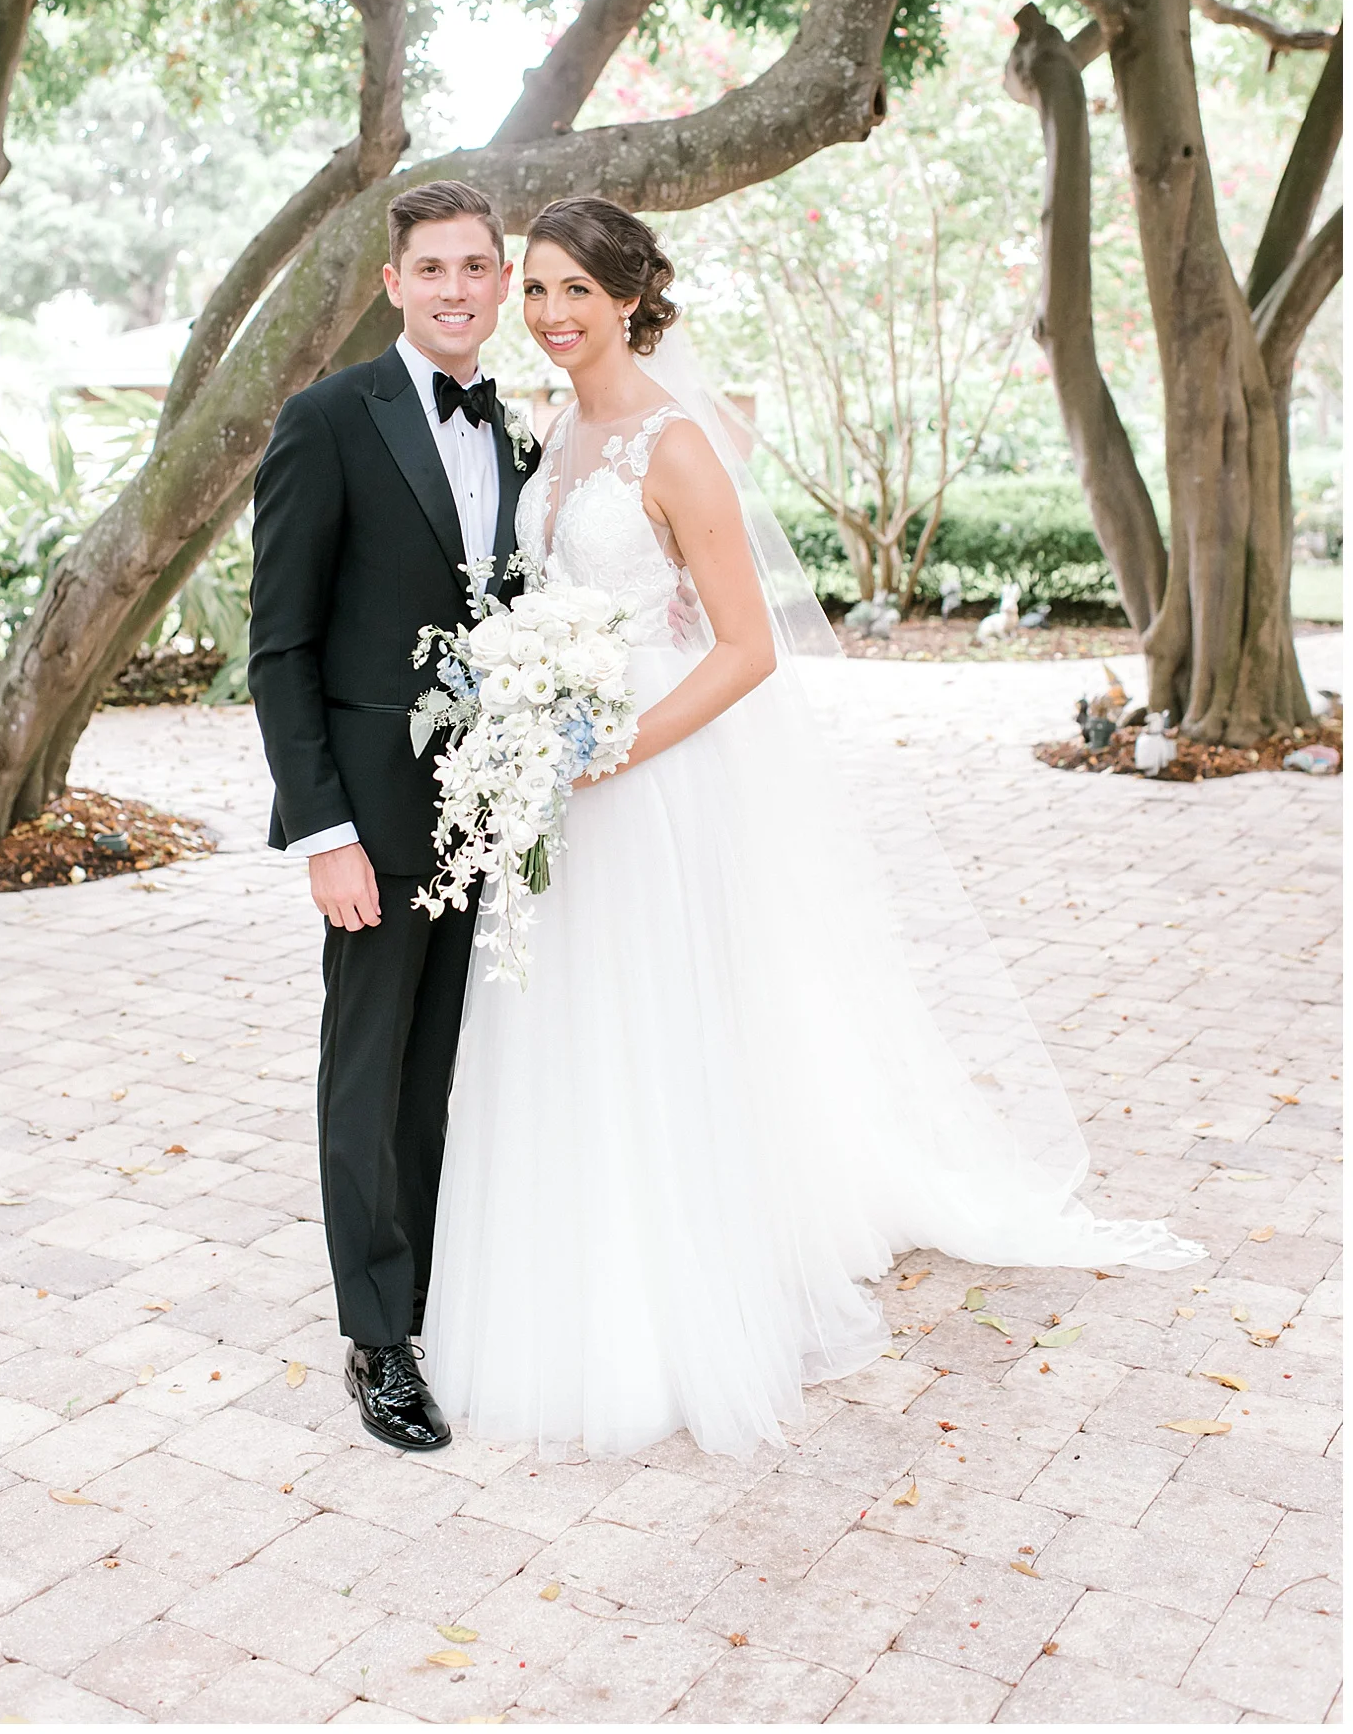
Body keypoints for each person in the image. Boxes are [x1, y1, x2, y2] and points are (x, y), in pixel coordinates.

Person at [422, 196, 1203, 1460]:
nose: (555, 314)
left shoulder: (676, 448)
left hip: (650, 777)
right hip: (557, 778)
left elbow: (745, 651)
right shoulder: (556, 430)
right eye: (541, 290)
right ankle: (568, 1276)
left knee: (661, 1026)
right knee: (564, 1023)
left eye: (579, 290)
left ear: (632, 297)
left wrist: (614, 746)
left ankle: (678, 1300)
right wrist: (526, 720)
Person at [247, 179, 539, 1453]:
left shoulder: (522, 436)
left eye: (480, 266)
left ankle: (433, 1290)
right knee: (368, 1071)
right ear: (394, 285)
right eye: (435, 268)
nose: (459, 288)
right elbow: (280, 648)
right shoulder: (328, 418)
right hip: (373, 815)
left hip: (498, 806)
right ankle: (378, 1339)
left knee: (447, 1063)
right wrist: (324, 833)